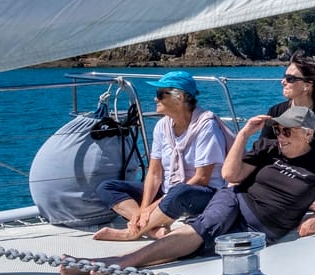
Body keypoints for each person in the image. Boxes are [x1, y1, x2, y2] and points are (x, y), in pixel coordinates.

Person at [60, 107, 315, 275]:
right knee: (205, 227)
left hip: (264, 229)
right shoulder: (269, 148)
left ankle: (116, 261)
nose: (280, 136)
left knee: (202, 247)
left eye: (286, 132)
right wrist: (243, 136)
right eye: (277, 130)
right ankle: (117, 262)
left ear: (307, 133)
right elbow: (230, 175)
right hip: (236, 199)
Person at [93, 71, 232, 241]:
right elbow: (154, 173)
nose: (155, 99)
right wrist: (144, 209)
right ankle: (152, 228)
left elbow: (202, 178)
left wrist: (152, 207)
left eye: (160, 94)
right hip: (169, 190)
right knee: (106, 187)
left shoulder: (206, 126)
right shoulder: (162, 126)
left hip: (199, 193)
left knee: (179, 192)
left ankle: (132, 232)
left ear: (179, 98)